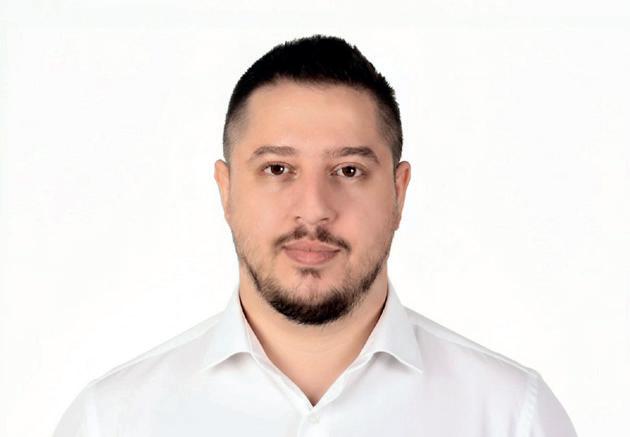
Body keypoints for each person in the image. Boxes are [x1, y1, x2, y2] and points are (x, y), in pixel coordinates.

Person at [53, 35, 578, 436]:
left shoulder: (513, 417)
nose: (314, 209)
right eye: (278, 169)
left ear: (398, 192)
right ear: (226, 190)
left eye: (349, 170)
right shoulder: (111, 422)